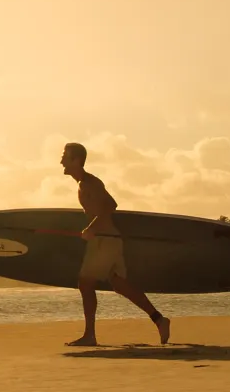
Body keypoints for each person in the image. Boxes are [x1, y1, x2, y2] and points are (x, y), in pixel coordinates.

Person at [60, 142, 170, 347]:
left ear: (76, 160)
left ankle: (89, 336)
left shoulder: (88, 183)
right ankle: (159, 320)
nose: (61, 161)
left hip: (104, 240)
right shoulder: (83, 183)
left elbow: (110, 205)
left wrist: (92, 228)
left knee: (85, 284)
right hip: (110, 239)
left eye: (65, 156)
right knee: (120, 284)